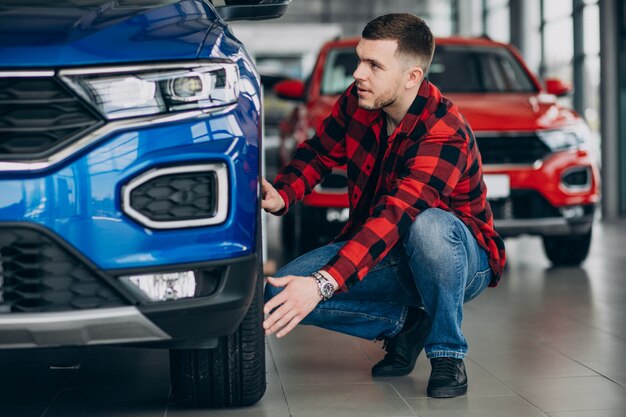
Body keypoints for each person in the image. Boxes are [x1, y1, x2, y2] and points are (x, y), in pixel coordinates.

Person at [261, 13, 505, 398]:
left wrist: (323, 284)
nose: (358, 73)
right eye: (359, 59)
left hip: (458, 260)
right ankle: (406, 324)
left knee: (429, 226)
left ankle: (446, 352)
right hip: (387, 249)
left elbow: (396, 215)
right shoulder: (359, 101)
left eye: (374, 65)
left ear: (412, 77)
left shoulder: (444, 132)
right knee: (278, 295)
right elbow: (320, 152)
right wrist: (283, 193)